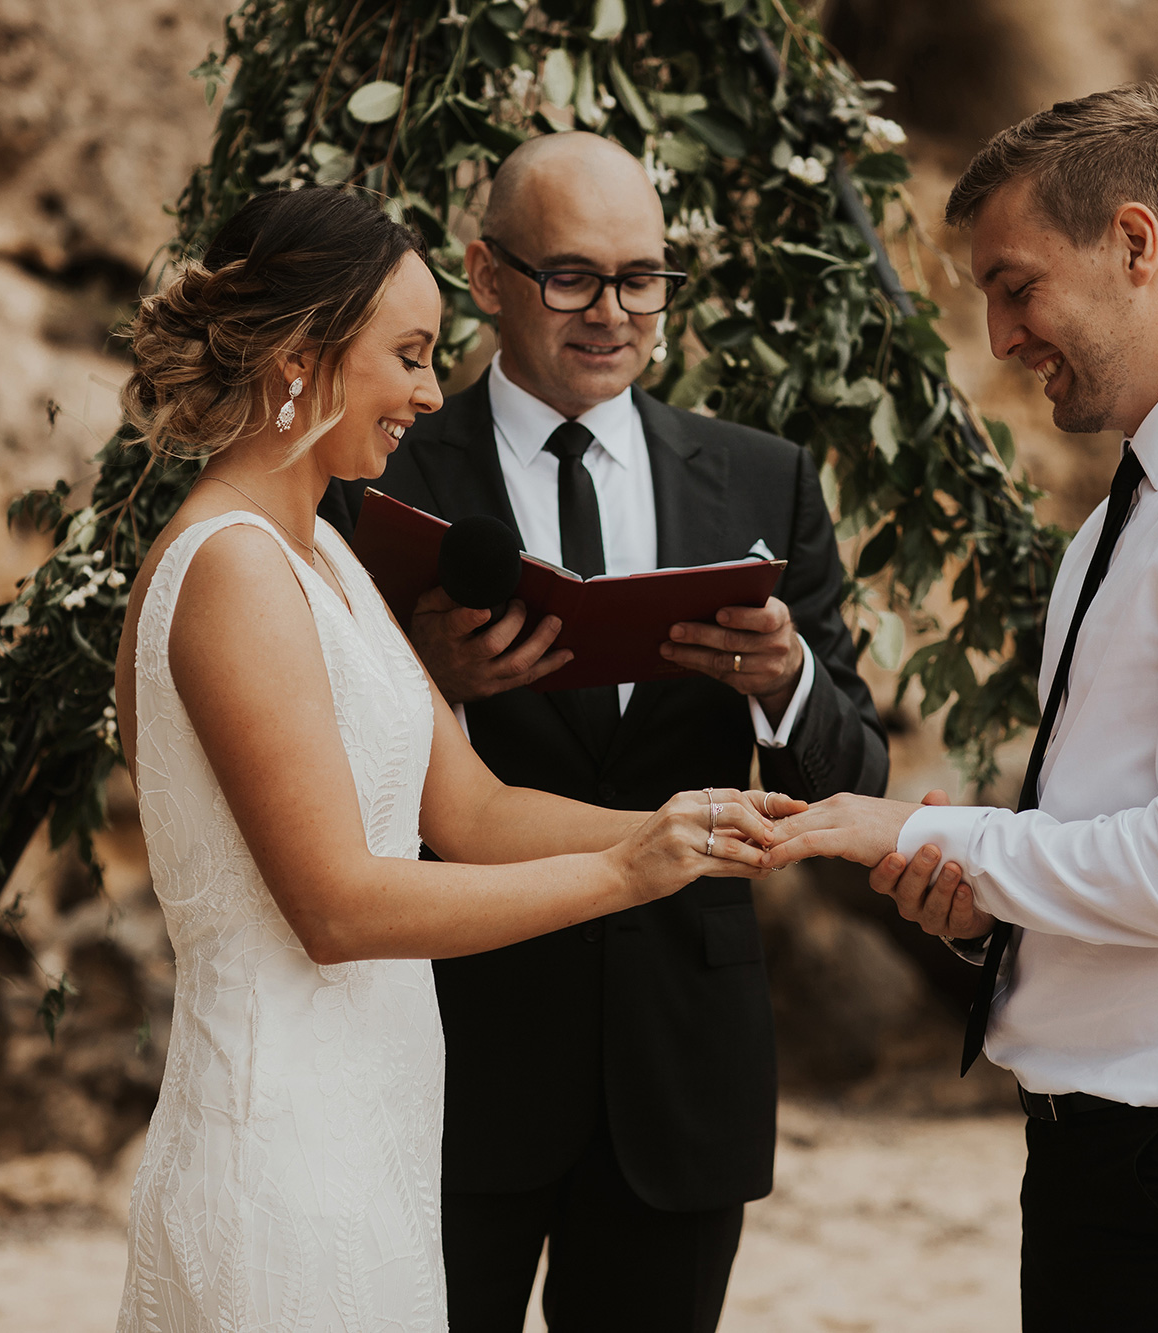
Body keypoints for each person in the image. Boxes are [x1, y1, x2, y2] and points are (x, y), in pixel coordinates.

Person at [766, 84, 1158, 1331]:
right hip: (1113, 1166)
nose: (1001, 337)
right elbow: (1127, 832)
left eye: (1016, 286)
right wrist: (977, 906)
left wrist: (918, 834)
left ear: (1132, 242)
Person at [108, 187, 792, 1333]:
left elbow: (470, 810)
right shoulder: (229, 567)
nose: (431, 394)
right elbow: (334, 904)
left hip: (376, 1136)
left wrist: (681, 827)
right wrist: (625, 877)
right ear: (298, 359)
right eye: (410, 356)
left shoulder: (318, 546)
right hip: (276, 1148)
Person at [319, 132, 889, 1332]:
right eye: (571, 277)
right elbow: (305, 767)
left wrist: (782, 684)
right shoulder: (378, 473)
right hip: (452, 1049)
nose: (614, 313)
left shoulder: (760, 480)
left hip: (680, 1059)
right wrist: (426, 679)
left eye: (643, 277)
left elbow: (856, 772)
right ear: (485, 275)